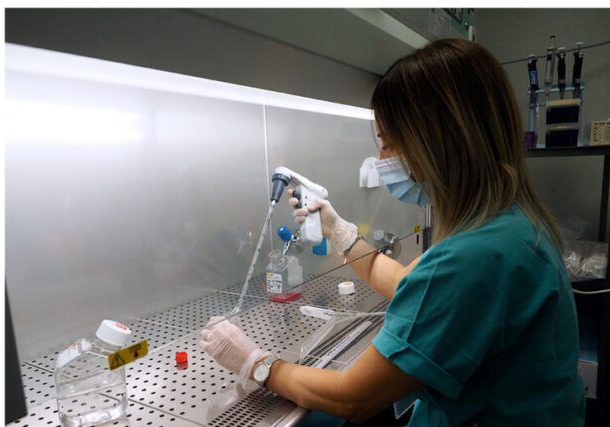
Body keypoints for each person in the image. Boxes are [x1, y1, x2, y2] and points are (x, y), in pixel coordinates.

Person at [200, 38, 585, 426]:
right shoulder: (508, 223)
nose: (380, 159)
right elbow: (408, 284)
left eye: (387, 143)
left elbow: (353, 398)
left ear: (437, 142)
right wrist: (338, 231)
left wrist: (256, 363)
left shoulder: (475, 256)